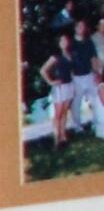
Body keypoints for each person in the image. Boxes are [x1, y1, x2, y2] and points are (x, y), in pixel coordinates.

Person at [43, 12, 103, 148]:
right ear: (75, 28)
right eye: (78, 26)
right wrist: (55, 80)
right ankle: (77, 127)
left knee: (97, 100)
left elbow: (94, 59)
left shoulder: (89, 43)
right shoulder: (70, 44)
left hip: (89, 75)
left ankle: (98, 125)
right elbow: (62, 62)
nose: (80, 28)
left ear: (85, 28)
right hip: (75, 78)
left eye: (82, 26)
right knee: (75, 104)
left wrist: (97, 73)